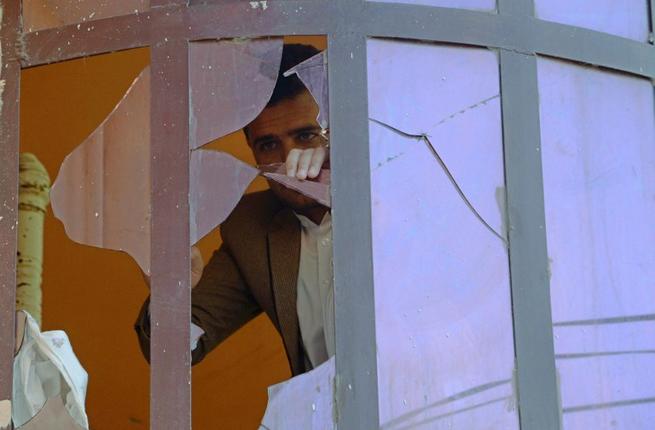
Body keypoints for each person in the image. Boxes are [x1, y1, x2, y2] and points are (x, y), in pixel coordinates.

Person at [134, 44, 334, 376]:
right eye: (268, 144)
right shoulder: (250, 227)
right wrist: (171, 291)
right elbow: (176, 350)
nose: (289, 159)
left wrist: (345, 190)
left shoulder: (396, 194)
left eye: (306, 135)